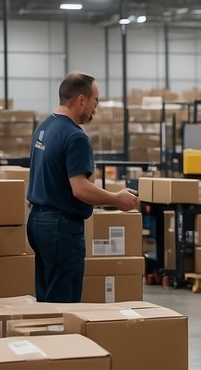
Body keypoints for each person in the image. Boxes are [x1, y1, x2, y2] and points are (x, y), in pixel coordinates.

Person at [26, 71, 137, 302]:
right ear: (81, 100)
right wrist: (116, 199)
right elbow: (80, 188)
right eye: (95, 101)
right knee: (63, 303)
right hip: (61, 227)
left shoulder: (44, 127)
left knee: (46, 299)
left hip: (38, 222)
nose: (96, 107)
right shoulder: (75, 136)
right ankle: (62, 340)